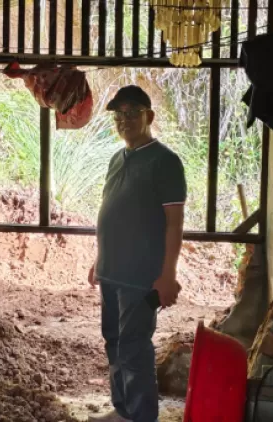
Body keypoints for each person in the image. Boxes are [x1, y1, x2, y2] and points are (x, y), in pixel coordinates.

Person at [88, 85, 186, 422]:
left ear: (149, 116)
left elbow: (174, 224)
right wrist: (99, 259)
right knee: (113, 342)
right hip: (111, 272)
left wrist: (167, 275)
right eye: (118, 115)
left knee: (134, 347)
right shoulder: (118, 159)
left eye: (132, 113)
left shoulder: (165, 162)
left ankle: (142, 416)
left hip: (141, 277)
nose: (124, 120)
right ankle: (123, 410)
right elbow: (110, 212)